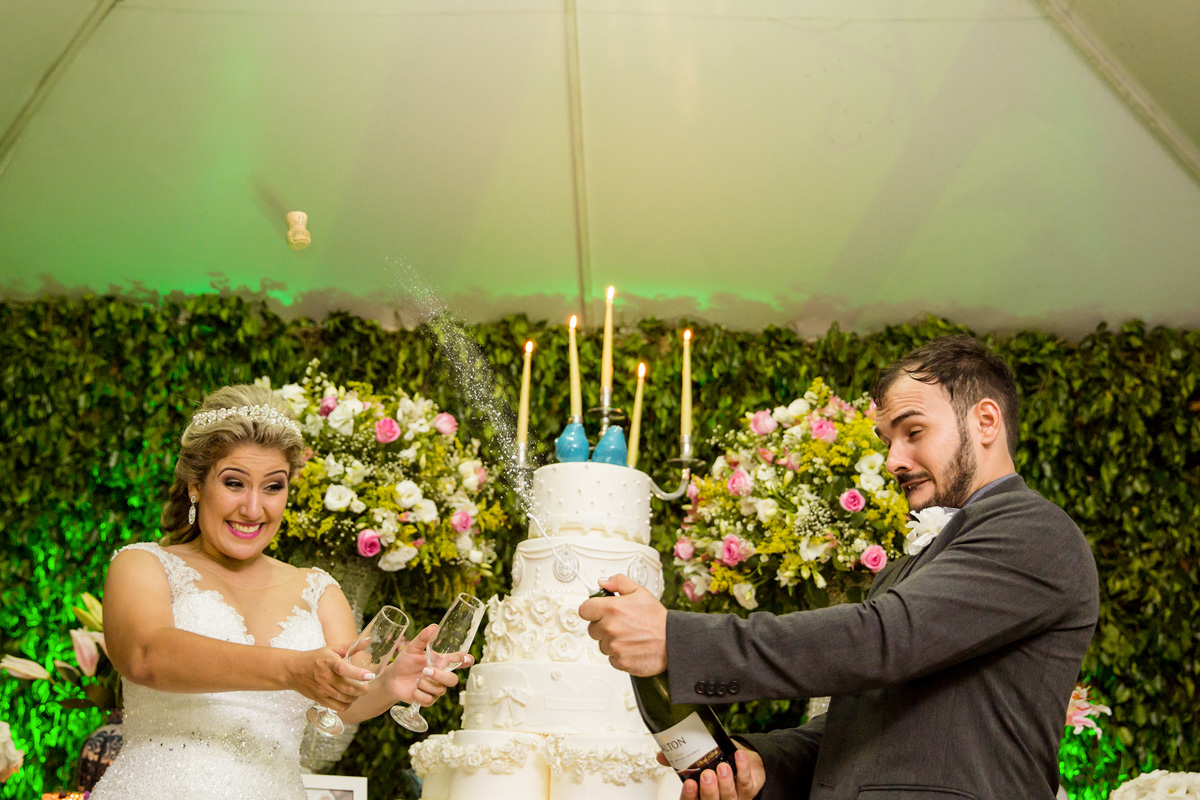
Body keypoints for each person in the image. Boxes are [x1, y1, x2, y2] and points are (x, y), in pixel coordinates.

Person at [580, 335, 1099, 800]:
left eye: (913, 431)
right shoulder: (901, 570)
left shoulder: (1036, 532)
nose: (895, 458)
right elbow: (862, 723)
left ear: (986, 421)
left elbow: (884, 639)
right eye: (887, 441)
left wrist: (679, 641)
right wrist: (763, 763)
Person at [90, 384, 469, 800]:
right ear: (195, 485)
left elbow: (342, 699)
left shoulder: (319, 590)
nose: (254, 509)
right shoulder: (143, 564)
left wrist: (390, 684)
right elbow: (146, 655)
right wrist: (292, 669)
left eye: (273, 487)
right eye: (234, 483)